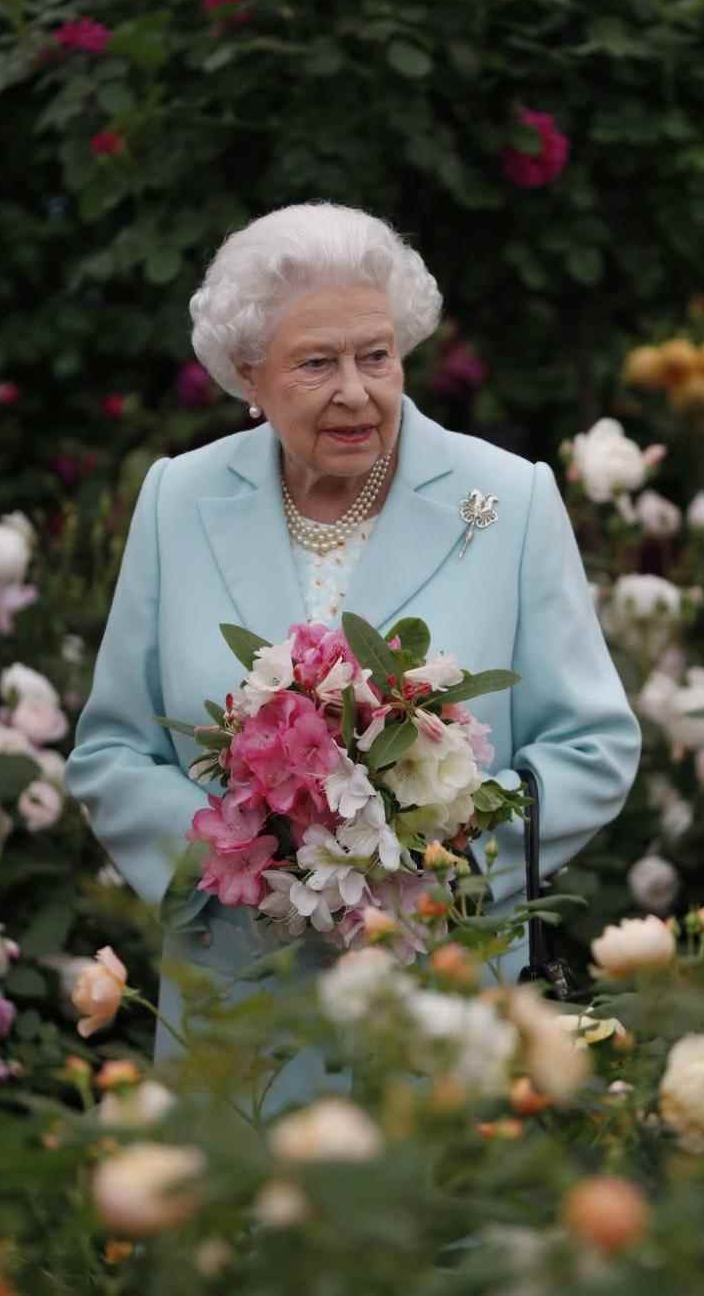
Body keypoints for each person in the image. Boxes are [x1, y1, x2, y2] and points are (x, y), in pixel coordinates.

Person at [65, 202, 641, 1107]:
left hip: (441, 994)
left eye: (376, 355)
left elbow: (594, 746)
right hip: (241, 1006)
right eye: (316, 362)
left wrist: (429, 858)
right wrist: (240, 862)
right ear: (249, 373)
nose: (356, 390)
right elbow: (111, 751)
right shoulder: (178, 500)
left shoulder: (508, 500)